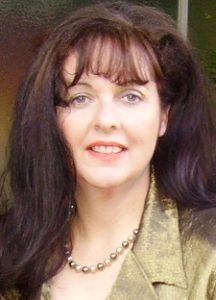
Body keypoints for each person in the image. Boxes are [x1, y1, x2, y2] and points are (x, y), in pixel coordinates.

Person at [0, 1, 216, 299]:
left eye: (130, 96)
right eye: (80, 98)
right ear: (52, 118)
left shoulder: (208, 257)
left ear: (164, 116)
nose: (105, 120)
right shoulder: (11, 251)